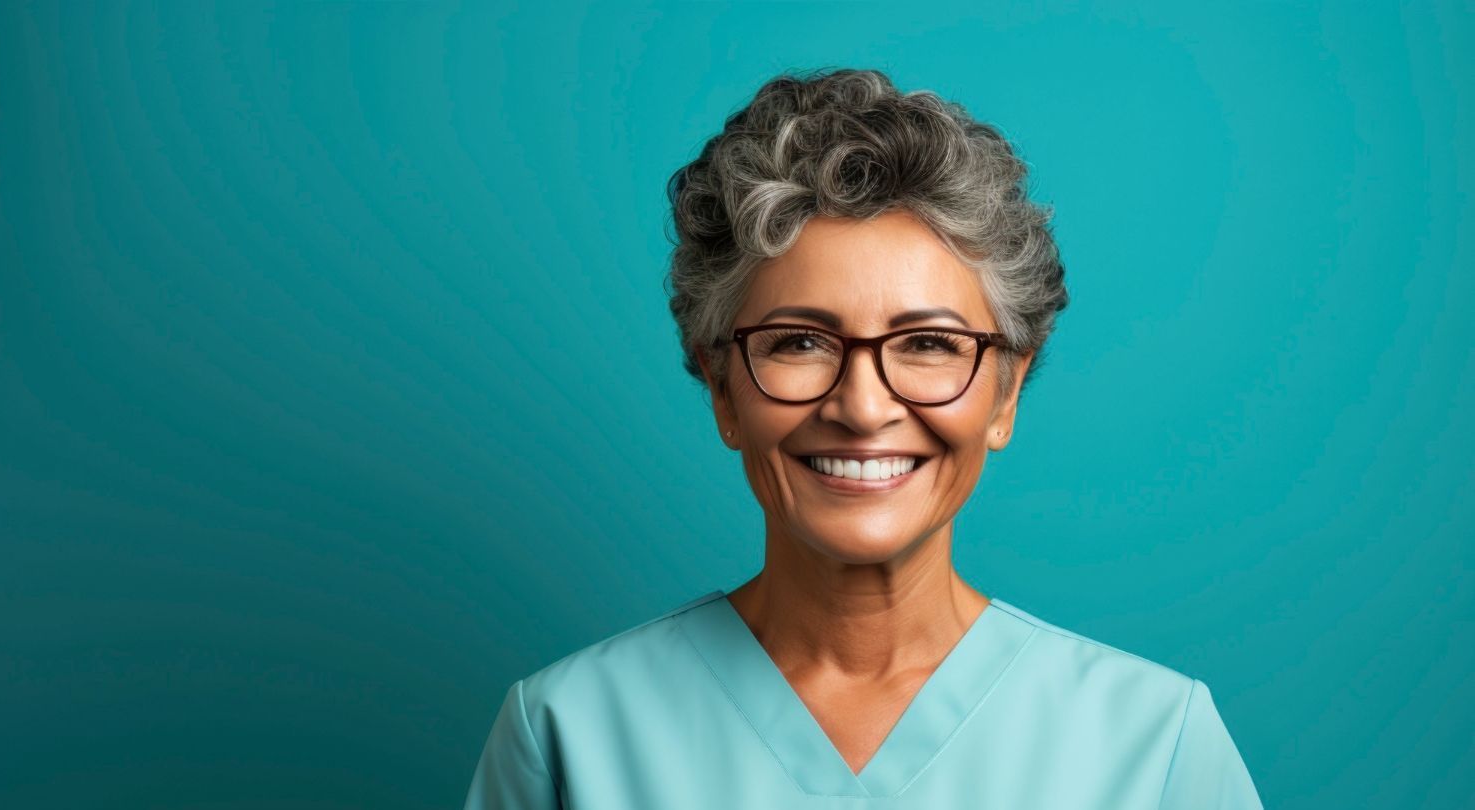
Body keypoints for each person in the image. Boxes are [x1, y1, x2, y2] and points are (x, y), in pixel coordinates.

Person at [464, 67, 1264, 809]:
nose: (862, 405)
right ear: (721, 388)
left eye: (928, 344)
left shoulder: (1157, 747)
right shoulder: (565, 736)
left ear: (1006, 392)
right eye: (799, 341)